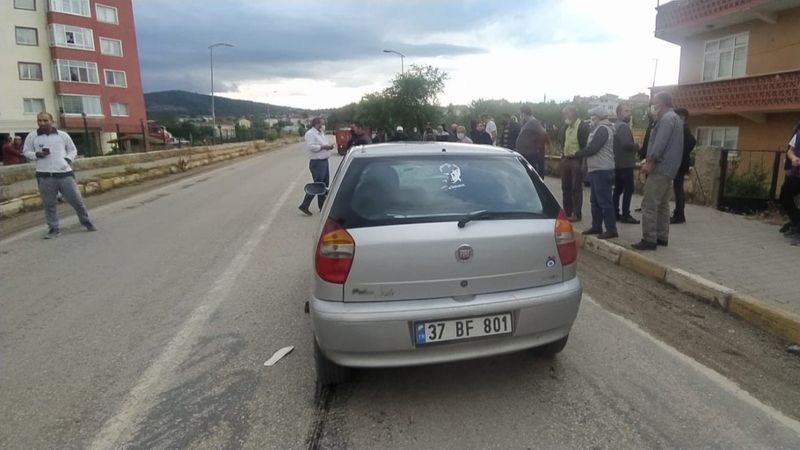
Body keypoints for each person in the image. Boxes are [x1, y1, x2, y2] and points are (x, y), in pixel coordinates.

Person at [21, 112, 96, 239]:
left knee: (76, 200)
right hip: (44, 175)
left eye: (45, 120)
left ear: (52, 121)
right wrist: (36, 155)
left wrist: (67, 160)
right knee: (49, 204)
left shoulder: (62, 135)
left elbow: (73, 150)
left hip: (64, 173)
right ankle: (53, 229)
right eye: (39, 121)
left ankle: (86, 221)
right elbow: (26, 151)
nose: (42, 123)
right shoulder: (32, 136)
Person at [632, 92, 684, 251]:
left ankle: (649, 239)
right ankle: (662, 236)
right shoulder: (675, 118)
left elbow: (660, 143)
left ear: (661, 104)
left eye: (654, 103)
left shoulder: (666, 119)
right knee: (662, 205)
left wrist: (650, 161)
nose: (652, 107)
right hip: (669, 168)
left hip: (659, 168)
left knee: (649, 204)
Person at [573, 107, 617, 239]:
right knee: (595, 200)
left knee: (604, 200)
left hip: (602, 169)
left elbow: (593, 148)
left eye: (593, 117)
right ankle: (596, 226)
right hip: (596, 169)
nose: (591, 120)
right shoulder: (598, 128)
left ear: (599, 117)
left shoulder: (603, 129)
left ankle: (611, 229)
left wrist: (578, 153)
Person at [298, 117, 334, 216]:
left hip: (324, 161)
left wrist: (329, 146)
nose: (323, 125)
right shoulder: (310, 134)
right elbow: (311, 147)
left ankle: (322, 206)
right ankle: (305, 205)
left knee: (324, 185)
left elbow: (324, 144)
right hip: (317, 162)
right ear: (316, 124)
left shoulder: (320, 133)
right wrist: (324, 147)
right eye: (321, 123)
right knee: (318, 185)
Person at [561, 105, 590, 222]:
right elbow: (564, 142)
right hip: (566, 159)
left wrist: (578, 155)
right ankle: (567, 211)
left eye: (566, 113)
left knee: (576, 188)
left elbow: (585, 146)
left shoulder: (582, 127)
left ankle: (576, 213)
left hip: (577, 160)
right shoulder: (566, 128)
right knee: (565, 187)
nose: (565, 116)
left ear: (573, 113)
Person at [612, 104, 641, 224]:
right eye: (626, 111)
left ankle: (614, 212)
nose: (629, 113)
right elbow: (625, 144)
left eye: (629, 111)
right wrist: (637, 146)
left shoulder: (615, 125)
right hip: (625, 164)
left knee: (618, 189)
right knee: (628, 189)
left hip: (617, 163)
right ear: (619, 113)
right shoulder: (623, 127)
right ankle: (625, 214)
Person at [670, 108, 696, 224]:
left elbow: (692, 141)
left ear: (682, 117)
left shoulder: (684, 129)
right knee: (678, 188)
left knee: (678, 189)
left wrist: (681, 152)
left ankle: (679, 215)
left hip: (681, 163)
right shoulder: (681, 128)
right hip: (680, 162)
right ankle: (679, 213)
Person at [779, 124, 800, 244]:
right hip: (796, 173)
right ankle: (796, 222)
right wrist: (793, 158)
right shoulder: (798, 133)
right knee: (784, 196)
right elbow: (790, 151)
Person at [516, 106, 549, 175]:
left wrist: (538, 147)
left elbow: (543, 133)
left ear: (524, 113)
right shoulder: (527, 123)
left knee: (531, 173)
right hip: (524, 152)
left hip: (530, 153)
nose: (520, 116)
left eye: (520, 113)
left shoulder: (533, 122)